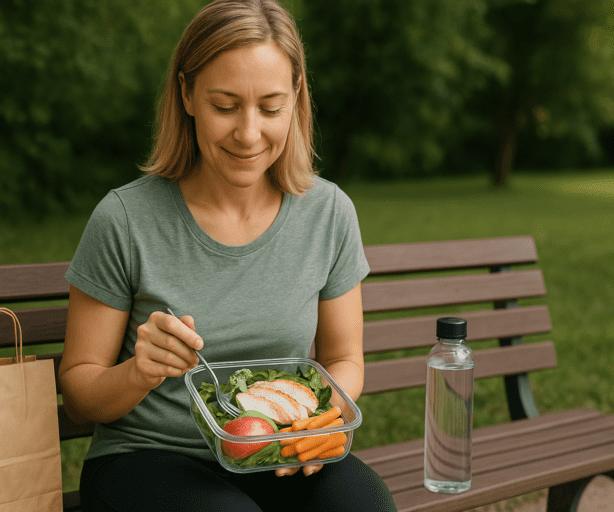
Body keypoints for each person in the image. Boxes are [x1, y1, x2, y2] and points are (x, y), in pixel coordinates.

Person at [58, 0, 398, 510]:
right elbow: (80, 394)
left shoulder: (328, 213)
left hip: (278, 451)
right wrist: (139, 371)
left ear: (297, 97)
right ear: (187, 94)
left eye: (270, 106)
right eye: (225, 105)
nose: (248, 132)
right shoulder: (125, 219)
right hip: (150, 458)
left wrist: (313, 426)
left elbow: (343, 359)